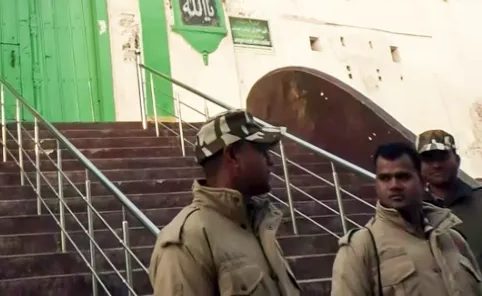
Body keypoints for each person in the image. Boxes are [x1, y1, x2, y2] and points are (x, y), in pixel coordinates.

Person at [149, 110, 301, 295]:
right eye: (262, 150)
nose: (271, 161)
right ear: (233, 156)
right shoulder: (188, 241)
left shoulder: (259, 225)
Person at [331, 141, 482, 296]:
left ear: (422, 181)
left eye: (403, 177)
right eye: (385, 178)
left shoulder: (451, 238)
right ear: (376, 185)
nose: (394, 185)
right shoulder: (361, 248)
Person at [417, 129, 482, 268]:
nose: (436, 165)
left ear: (457, 160)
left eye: (442, 157)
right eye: (429, 159)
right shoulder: (413, 212)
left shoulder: (479, 201)